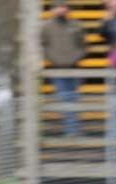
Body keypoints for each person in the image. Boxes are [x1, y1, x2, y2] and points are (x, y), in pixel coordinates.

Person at [41, 1, 87, 136]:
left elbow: (83, 46)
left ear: (67, 9)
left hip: (75, 69)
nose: (60, 10)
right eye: (57, 7)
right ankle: (71, 131)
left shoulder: (76, 25)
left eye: (63, 7)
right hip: (57, 70)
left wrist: (75, 58)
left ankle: (74, 131)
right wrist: (53, 59)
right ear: (53, 10)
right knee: (64, 99)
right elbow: (43, 46)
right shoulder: (46, 27)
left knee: (74, 99)